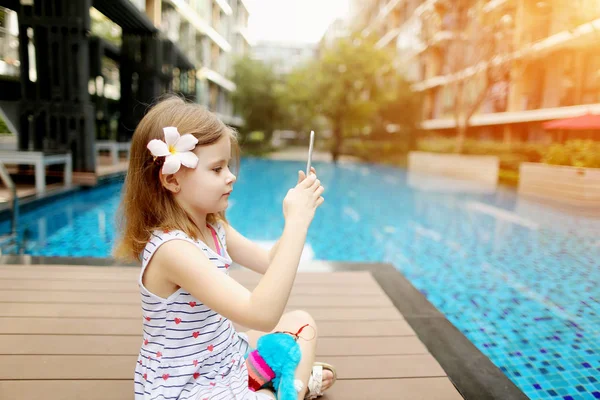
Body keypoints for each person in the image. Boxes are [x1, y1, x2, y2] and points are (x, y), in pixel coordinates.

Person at [114, 96, 336, 400]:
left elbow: (271, 261)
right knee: (281, 364)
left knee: (302, 323)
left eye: (228, 166)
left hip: (224, 356)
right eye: (217, 169)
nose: (230, 176)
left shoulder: (214, 227)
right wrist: (297, 223)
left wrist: (297, 220)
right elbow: (260, 314)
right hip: (187, 389)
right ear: (171, 179)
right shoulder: (173, 249)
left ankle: (280, 379)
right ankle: (287, 385)